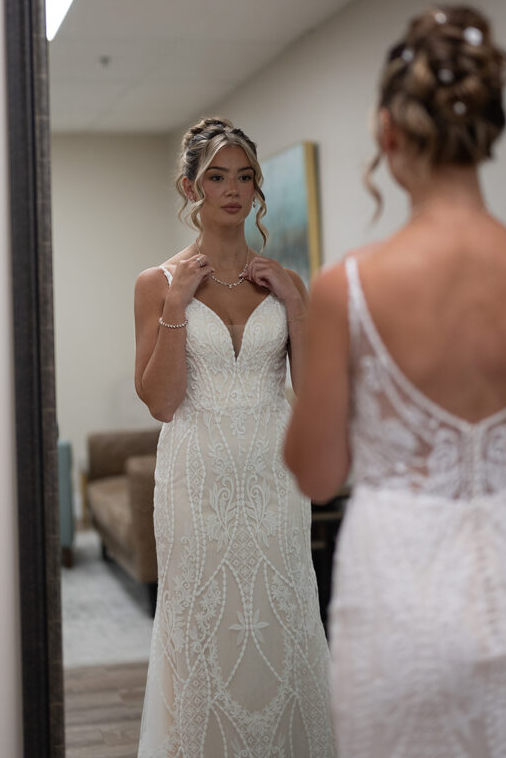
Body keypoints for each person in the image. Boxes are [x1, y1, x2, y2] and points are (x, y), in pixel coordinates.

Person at [284, 6, 506, 758]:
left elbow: (316, 472)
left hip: (402, 591)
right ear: (484, 136)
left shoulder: (348, 283)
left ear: (387, 133)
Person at [134, 117, 334, 758]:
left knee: (280, 616)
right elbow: (162, 402)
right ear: (189, 186)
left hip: (275, 480)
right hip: (196, 482)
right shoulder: (156, 284)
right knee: (203, 623)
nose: (233, 190)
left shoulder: (286, 282)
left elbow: (313, 392)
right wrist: (174, 308)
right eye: (217, 176)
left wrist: (297, 309)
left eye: (244, 176)